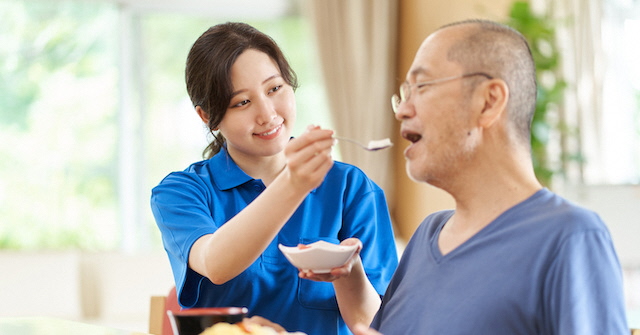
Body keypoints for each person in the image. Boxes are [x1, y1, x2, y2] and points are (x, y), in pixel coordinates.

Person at [316, 19, 629, 334]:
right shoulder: (427, 236)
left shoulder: (571, 237)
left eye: (421, 86)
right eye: (404, 93)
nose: (402, 111)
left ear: (488, 101)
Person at [150, 22, 398, 335]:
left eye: (274, 89)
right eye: (242, 102)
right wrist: (293, 184)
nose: (267, 114)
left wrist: (349, 274)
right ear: (207, 116)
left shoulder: (350, 188)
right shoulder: (181, 192)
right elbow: (215, 263)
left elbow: (377, 326)